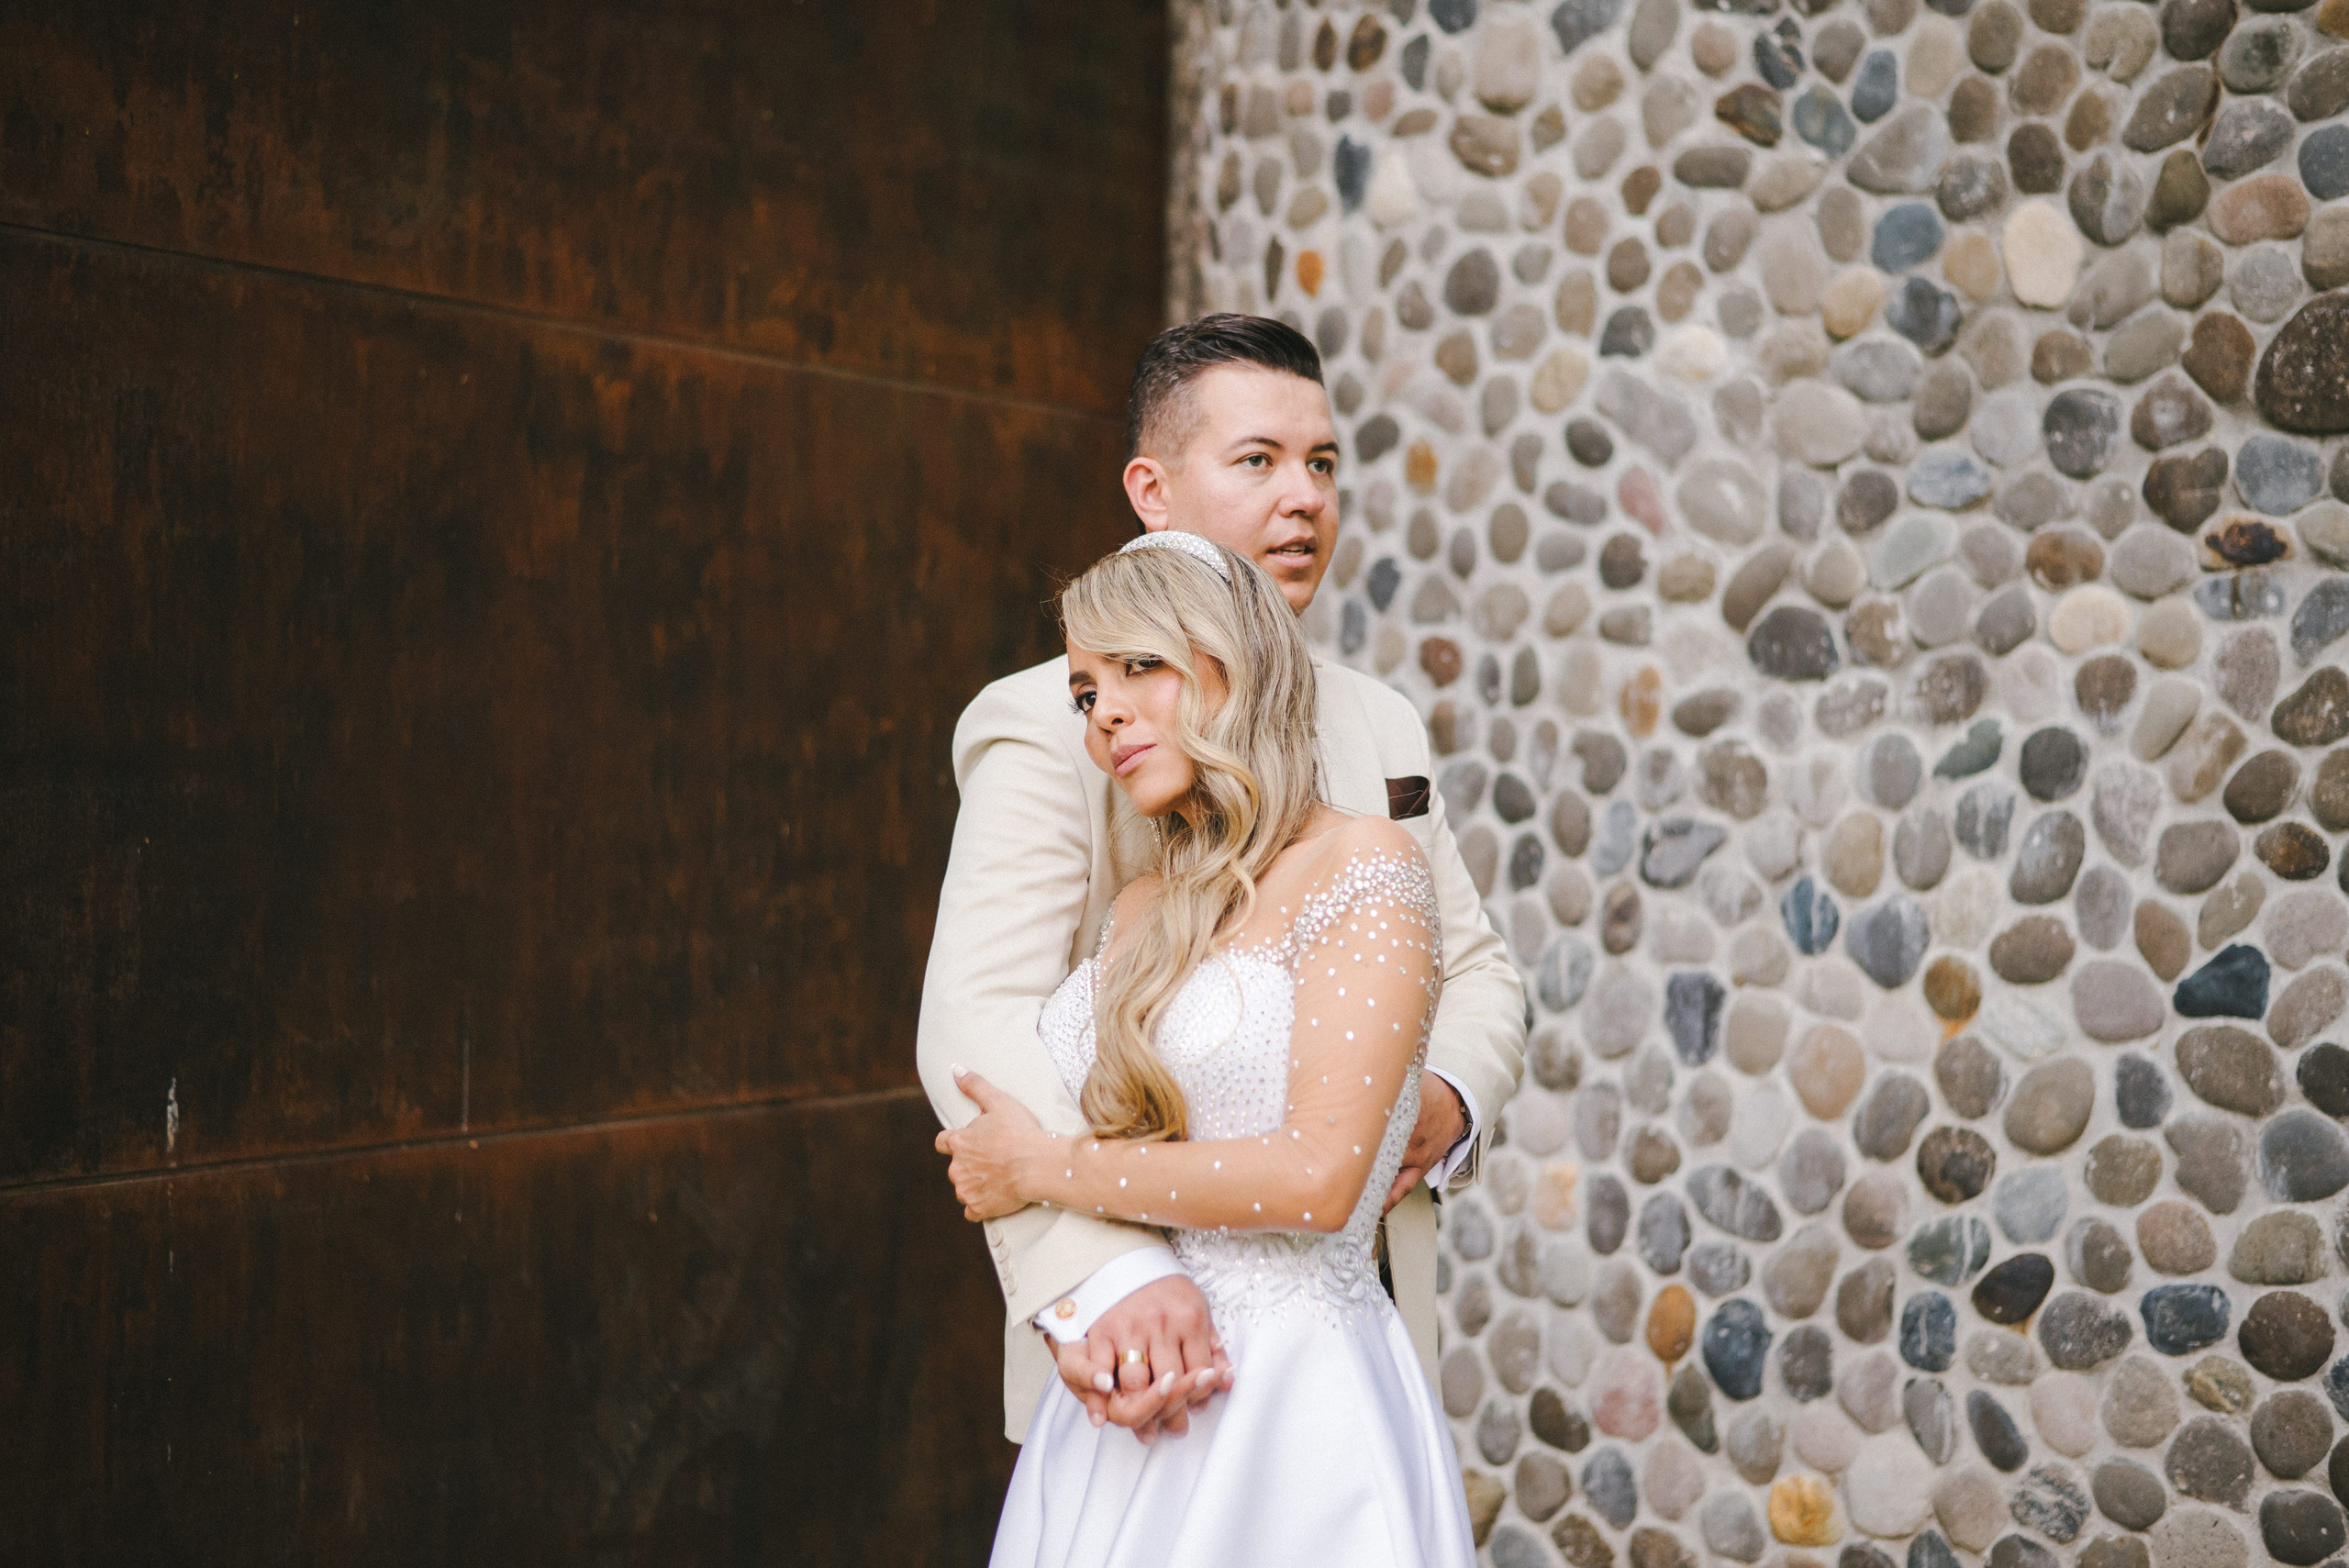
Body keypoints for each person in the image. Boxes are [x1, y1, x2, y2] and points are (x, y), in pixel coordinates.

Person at [916, 315, 1524, 1442]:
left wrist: (1437, 1099)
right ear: (1151, 490)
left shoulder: (1379, 720)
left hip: (1344, 1322)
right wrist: (1108, 1277)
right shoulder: (1046, 725)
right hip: (1139, 1350)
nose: (1305, 498)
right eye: (1258, 460)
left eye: (1322, 463)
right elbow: (978, 1016)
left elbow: (1477, 964)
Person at [939, 534, 1477, 1564]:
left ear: (1237, 661)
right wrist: (1085, 1294)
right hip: (1128, 1394)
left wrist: (1042, 1166)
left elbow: (1320, 1179)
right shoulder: (1141, 908)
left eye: (1139, 666)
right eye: (1086, 691)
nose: (1104, 713)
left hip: (1294, 1407)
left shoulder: (1363, 863)